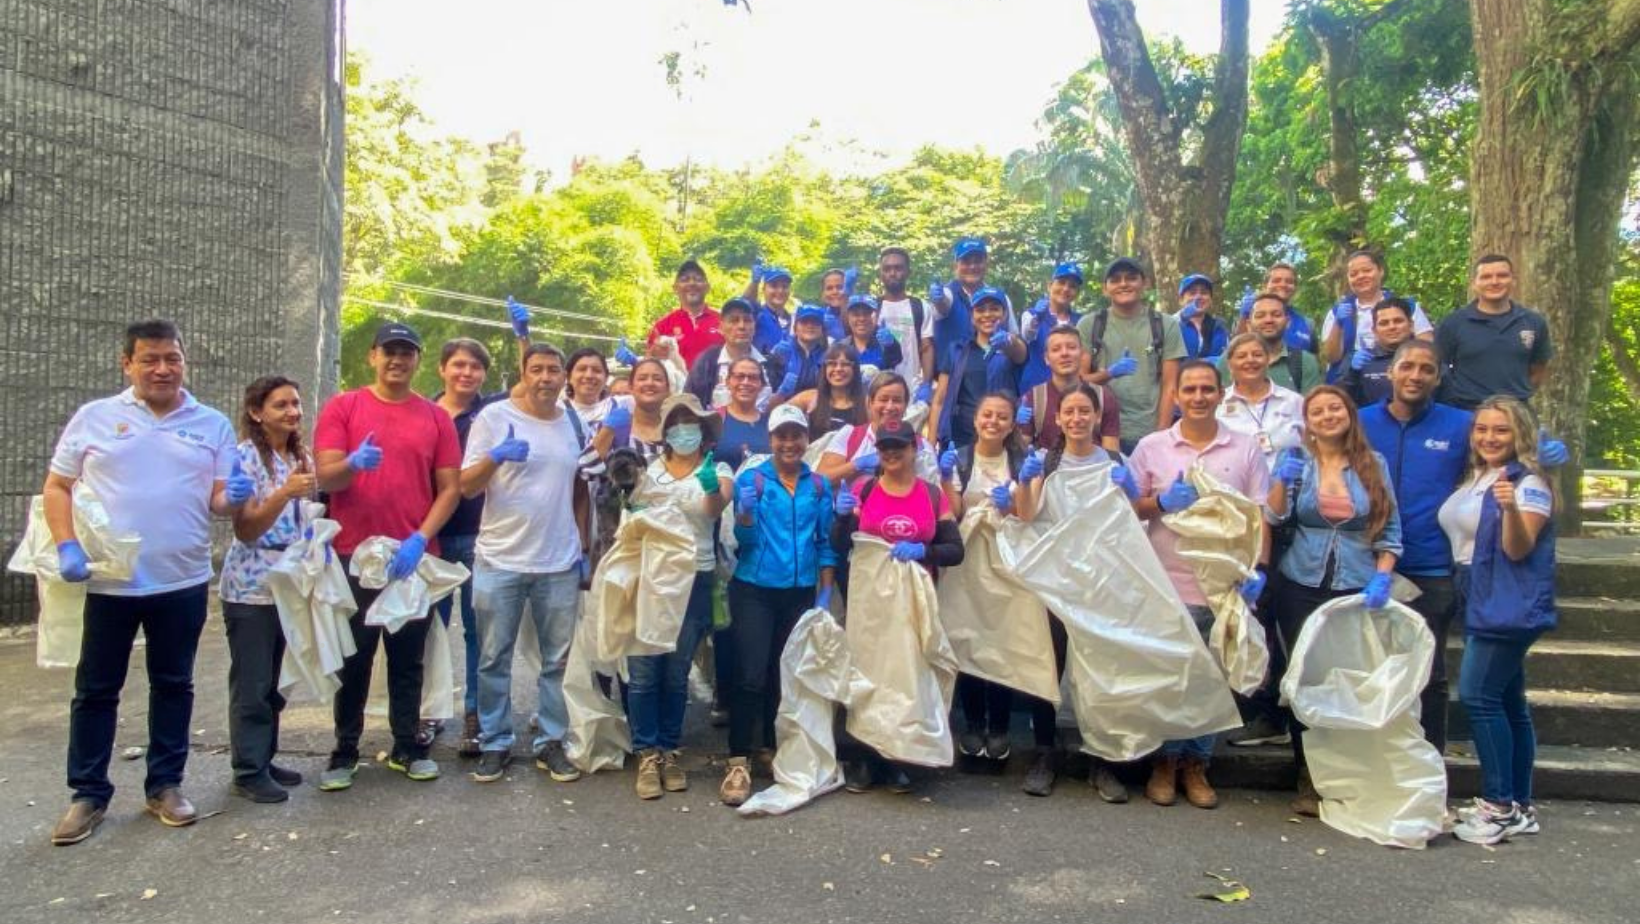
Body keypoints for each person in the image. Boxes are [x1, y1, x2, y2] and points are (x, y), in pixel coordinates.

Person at [45, 320, 244, 845]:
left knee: (174, 685)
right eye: (150, 359)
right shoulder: (95, 418)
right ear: (126, 363)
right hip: (110, 581)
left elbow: (219, 501)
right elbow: (58, 486)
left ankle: (164, 785)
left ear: (184, 362)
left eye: (172, 359)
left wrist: (237, 496)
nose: (162, 369)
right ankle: (87, 794)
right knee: (95, 690)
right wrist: (67, 543)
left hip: (181, 580)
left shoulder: (212, 424)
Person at [313, 321, 462, 791]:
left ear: (419, 360)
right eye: (389, 352)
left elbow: (450, 488)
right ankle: (344, 749)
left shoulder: (434, 417)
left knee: (407, 656)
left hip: (410, 556)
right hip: (351, 554)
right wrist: (350, 465)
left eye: (407, 352)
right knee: (353, 657)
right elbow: (326, 477)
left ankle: (406, 745)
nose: (398, 360)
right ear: (372, 357)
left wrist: (421, 537)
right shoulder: (345, 407)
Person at [1127, 360, 1272, 810]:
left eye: (1207, 388)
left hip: (1224, 583)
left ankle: (1198, 763)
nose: (1197, 396)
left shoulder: (1245, 448)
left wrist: (1258, 570)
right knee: (1172, 676)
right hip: (1166, 579)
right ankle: (1166, 762)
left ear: (1219, 394)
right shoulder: (1153, 447)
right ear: (1177, 396)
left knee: (1213, 675)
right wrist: (1161, 502)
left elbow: (1259, 515)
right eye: (1189, 388)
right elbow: (1129, 507)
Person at [1267, 384, 1402, 816]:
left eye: (1335, 408)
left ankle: (1350, 774)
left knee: (1348, 679)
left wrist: (1382, 578)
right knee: (1303, 678)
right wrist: (1279, 480)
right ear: (1307, 422)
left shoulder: (1372, 464)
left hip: (1356, 585)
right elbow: (1272, 516)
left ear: (1349, 414)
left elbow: (1390, 530)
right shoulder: (1299, 464)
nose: (1327, 416)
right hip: (1300, 581)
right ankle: (1308, 774)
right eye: (1318, 411)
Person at [459, 344, 589, 785]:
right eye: (537, 369)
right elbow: (466, 486)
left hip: (559, 560)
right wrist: (495, 457)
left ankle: (551, 741)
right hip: (501, 558)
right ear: (523, 372)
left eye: (554, 369)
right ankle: (494, 741)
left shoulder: (574, 421)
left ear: (563, 376)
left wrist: (584, 546)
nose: (546, 378)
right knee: (495, 656)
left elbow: (581, 488)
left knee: (557, 659)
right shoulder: (495, 418)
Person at [1444, 397, 1557, 845]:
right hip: (1476, 590)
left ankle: (1499, 806)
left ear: (1522, 435)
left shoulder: (1528, 482)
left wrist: (1509, 508)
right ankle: (1520, 804)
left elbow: (1519, 548)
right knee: (1510, 702)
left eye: (1502, 431)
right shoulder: (1479, 475)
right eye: (1483, 429)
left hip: (1505, 600)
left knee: (1478, 695)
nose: (1490, 438)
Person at [830, 420, 965, 793]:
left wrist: (925, 551)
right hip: (870, 605)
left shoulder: (932, 495)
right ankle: (864, 758)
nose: (891, 453)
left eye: (899, 446)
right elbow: (840, 545)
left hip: (912, 606)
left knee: (906, 677)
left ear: (913, 449)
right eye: (885, 447)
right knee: (869, 675)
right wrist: (842, 517)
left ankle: (897, 759)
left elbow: (956, 550)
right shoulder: (865, 489)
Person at [1357, 341, 1479, 755]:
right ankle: (1372, 767)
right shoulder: (1360, 422)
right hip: (1366, 564)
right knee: (1368, 668)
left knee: (1430, 671)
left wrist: (1537, 459)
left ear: (1437, 377)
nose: (1415, 375)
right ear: (1389, 373)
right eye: (1406, 366)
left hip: (1431, 565)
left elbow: (1501, 458)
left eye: (1425, 369)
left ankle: (1429, 773)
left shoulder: (1461, 425)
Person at [720, 404, 839, 805]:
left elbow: (825, 545)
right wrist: (746, 515)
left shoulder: (819, 486)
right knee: (751, 675)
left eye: (796, 436)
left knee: (783, 677)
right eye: (781, 436)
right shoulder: (752, 479)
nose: (789, 443)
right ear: (770, 440)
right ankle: (738, 758)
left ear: (806, 440)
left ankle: (772, 749)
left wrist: (824, 595)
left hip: (800, 591)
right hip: (754, 588)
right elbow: (744, 545)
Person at [1014, 383, 1127, 798]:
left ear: (1097, 418)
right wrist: (1026, 483)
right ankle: (1045, 754)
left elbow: (1129, 526)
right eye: (1069, 412)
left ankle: (1103, 760)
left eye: (1085, 411)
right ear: (1058, 419)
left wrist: (1129, 491)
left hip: (1101, 583)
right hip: (1055, 581)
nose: (1077, 419)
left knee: (1100, 672)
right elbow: (1026, 515)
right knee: (1048, 667)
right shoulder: (1045, 460)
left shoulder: (1115, 461)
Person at [625, 394, 733, 799]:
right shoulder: (650, 472)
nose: (684, 430)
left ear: (704, 432)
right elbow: (631, 514)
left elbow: (713, 507)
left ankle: (669, 749)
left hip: (694, 577)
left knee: (676, 670)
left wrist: (710, 490)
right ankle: (646, 752)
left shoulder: (717, 468)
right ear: (666, 432)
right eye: (677, 423)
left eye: (692, 423)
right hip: (650, 578)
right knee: (643, 671)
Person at [220, 375, 319, 804]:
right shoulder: (243, 457)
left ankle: (264, 756)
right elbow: (246, 529)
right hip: (252, 588)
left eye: (296, 404)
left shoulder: (299, 455)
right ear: (257, 412)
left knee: (277, 681)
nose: (293, 412)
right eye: (281, 405)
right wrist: (284, 493)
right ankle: (247, 769)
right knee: (253, 681)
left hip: (290, 582)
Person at [939, 393, 1030, 767]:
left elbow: (1028, 515)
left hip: (1008, 564)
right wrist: (945, 477)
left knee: (1003, 643)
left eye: (1002, 416)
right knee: (969, 639)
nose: (993, 421)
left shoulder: (1022, 460)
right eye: (987, 415)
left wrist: (1011, 502)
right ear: (975, 420)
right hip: (967, 564)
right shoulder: (960, 458)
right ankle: (973, 724)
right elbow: (955, 512)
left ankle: (1000, 727)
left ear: (1011, 424)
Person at [429, 338, 504, 757]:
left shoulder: (489, 413)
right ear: (442, 368)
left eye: (475, 367)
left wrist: (523, 337)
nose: (466, 373)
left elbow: (534, 383)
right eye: (458, 364)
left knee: (480, 633)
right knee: (429, 630)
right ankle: (430, 711)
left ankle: (476, 715)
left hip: (479, 535)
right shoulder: (423, 412)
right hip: (432, 536)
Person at [1077, 257, 1187, 455]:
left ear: (1145, 284)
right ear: (1105, 288)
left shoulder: (1165, 324)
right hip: (1100, 432)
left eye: (1131, 278)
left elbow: (1170, 385)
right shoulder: (1090, 325)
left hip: (1148, 432)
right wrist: (1109, 373)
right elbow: (1080, 380)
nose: (1123, 284)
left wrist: (1161, 435)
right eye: (1116, 279)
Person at [1435, 254, 1554, 411]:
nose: (1494, 282)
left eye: (1502, 276)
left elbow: (1538, 369)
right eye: (1486, 277)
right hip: (1466, 412)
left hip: (1517, 413)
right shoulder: (1453, 323)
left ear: (1513, 280)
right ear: (1474, 284)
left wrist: (1514, 398)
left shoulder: (1533, 322)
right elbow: (1437, 367)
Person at [929, 287, 1026, 448]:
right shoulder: (957, 350)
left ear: (1005, 314)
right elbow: (939, 400)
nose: (987, 315)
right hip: (960, 440)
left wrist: (1009, 341)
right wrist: (931, 444)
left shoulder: (1012, 349)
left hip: (1001, 440)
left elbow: (1019, 352)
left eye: (995, 309)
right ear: (972, 317)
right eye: (980, 310)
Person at [1319, 249, 1434, 381]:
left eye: (1367, 271)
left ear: (1380, 271)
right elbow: (1330, 357)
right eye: (1353, 274)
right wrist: (1338, 324)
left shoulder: (1407, 306)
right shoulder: (1337, 312)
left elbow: (1428, 347)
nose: (1361, 276)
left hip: (1399, 380)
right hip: (1348, 384)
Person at [819, 372, 940, 484]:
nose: (890, 406)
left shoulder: (920, 447)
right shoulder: (850, 435)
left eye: (897, 400)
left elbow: (932, 496)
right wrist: (855, 465)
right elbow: (818, 481)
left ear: (905, 405)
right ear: (870, 402)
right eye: (883, 399)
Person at [1019, 326, 1122, 456]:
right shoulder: (1032, 399)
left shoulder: (1103, 397)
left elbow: (1112, 451)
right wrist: (1016, 427)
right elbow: (1020, 452)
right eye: (1056, 349)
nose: (1064, 354)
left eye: (1072, 348)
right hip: (1049, 472)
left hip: (1093, 471)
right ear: (1046, 358)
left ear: (1082, 354)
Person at [1216, 333, 1305, 471]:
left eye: (1257, 355)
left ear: (1268, 359)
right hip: (1234, 488)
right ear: (1230, 364)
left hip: (1289, 486)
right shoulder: (1218, 404)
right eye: (1241, 356)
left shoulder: (1294, 401)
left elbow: (1312, 448)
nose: (1250, 360)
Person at [928, 236, 1017, 361]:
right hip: (951, 376)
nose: (972, 266)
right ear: (955, 265)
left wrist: (1009, 342)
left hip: (991, 373)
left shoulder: (1001, 298)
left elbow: (1014, 335)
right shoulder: (948, 293)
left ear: (986, 264)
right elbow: (942, 306)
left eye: (978, 261)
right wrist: (938, 299)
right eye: (966, 262)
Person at [1221, 292, 1323, 394]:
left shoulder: (1305, 361)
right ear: (1248, 324)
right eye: (1260, 316)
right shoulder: (1229, 361)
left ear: (1287, 322)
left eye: (1276, 315)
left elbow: (1313, 407)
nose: (1268, 320)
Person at [686, 297, 768, 410]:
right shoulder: (707, 361)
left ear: (754, 327)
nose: (741, 326)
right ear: (721, 327)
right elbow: (689, 402)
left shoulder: (768, 363)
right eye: (734, 320)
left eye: (747, 320)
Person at [588, 356, 671, 468]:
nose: (650, 383)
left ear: (667, 388)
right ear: (631, 387)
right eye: (642, 378)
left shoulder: (679, 430)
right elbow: (585, 471)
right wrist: (608, 431)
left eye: (657, 379)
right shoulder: (606, 427)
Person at [874, 247, 936, 389]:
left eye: (898, 268)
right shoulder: (873, 307)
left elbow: (926, 348)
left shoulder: (921, 306)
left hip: (913, 385)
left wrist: (926, 383)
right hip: (879, 387)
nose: (892, 273)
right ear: (881, 273)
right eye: (887, 269)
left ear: (908, 272)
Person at [1019, 263, 1085, 391]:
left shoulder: (1081, 321)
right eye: (1061, 282)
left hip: (1070, 392)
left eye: (1072, 286)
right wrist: (1037, 317)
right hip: (1036, 389)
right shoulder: (1031, 314)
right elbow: (1027, 335)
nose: (1066, 289)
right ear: (1050, 285)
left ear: (1076, 293)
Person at [1339, 298, 1416, 408]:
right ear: (1374, 330)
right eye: (1384, 323)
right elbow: (1341, 402)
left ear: (1411, 325)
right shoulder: (1357, 361)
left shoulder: (1428, 358)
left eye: (1398, 321)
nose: (1392, 327)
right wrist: (1352, 374)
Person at [647, 259, 722, 370]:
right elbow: (650, 364)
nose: (692, 283)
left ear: (707, 287)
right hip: (677, 387)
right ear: (675, 288)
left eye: (698, 279)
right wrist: (635, 361)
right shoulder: (662, 326)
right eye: (685, 280)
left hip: (716, 386)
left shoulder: (724, 321)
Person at [785, 343, 867, 440]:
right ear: (825, 368)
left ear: (855, 369)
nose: (838, 369)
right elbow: (778, 416)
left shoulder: (866, 403)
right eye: (832, 364)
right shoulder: (810, 398)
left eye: (845, 364)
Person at [1236, 263, 1315, 354]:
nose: (1283, 284)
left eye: (1289, 281)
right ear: (1265, 286)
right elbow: (1235, 351)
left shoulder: (1307, 323)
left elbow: (1315, 361)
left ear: (1295, 288)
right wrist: (1244, 315)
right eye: (1276, 280)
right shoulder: (1250, 317)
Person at [715, 357, 774, 471]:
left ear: (761, 385)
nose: (745, 382)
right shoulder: (715, 420)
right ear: (728, 382)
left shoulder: (771, 423)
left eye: (752, 378)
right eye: (739, 376)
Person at [766, 305, 832, 405]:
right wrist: (782, 392)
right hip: (782, 409)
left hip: (818, 408)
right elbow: (767, 393)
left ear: (822, 329)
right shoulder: (781, 351)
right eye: (804, 322)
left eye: (815, 322)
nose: (810, 326)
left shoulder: (829, 355)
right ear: (795, 327)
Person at [564, 347, 633, 437]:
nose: (589, 375)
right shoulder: (557, 410)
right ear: (568, 377)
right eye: (582, 369)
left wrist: (635, 363)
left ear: (606, 378)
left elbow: (653, 393)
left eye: (597, 370)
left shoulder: (622, 404)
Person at [840, 294, 904, 374]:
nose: (862, 319)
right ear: (848, 317)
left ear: (875, 317)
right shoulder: (841, 347)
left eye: (866, 314)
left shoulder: (884, 344)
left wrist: (891, 345)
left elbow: (896, 358)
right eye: (856, 315)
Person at [745, 263, 796, 354]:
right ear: (764, 289)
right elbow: (746, 304)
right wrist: (755, 282)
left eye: (784, 286)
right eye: (774, 286)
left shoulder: (796, 321)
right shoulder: (757, 315)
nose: (780, 291)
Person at [1175, 274, 1228, 362]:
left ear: (1210, 300)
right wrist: (1182, 317)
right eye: (1192, 293)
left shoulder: (1220, 327)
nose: (1198, 297)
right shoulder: (1169, 325)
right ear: (1181, 300)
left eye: (1204, 293)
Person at [817, 268, 852, 341]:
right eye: (829, 288)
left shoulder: (861, 317)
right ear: (822, 293)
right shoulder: (817, 318)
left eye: (840, 287)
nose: (835, 292)